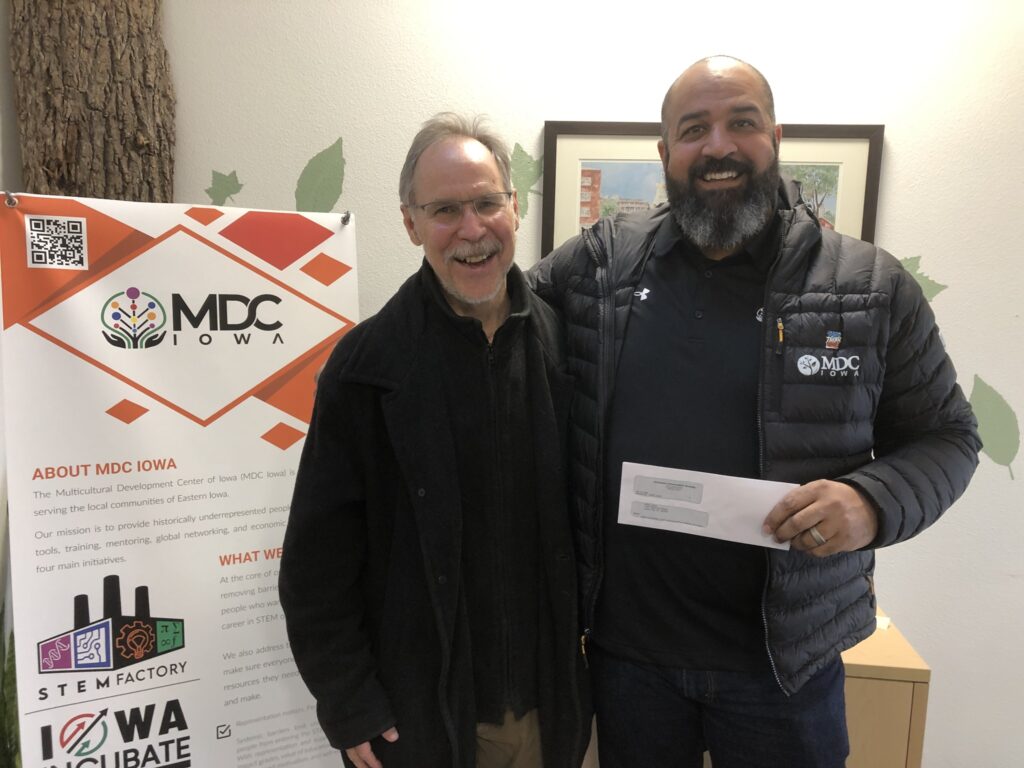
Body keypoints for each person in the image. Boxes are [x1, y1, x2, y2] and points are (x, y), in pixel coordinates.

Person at [530, 55, 980, 768]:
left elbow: (950, 437)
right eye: (693, 129)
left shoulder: (871, 286)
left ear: (775, 137)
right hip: (628, 663)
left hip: (785, 671)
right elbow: (489, 321)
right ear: (664, 153)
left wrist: (871, 503)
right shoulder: (597, 266)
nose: (719, 146)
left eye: (741, 122)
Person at [279, 113, 589, 768]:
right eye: (445, 210)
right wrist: (348, 701)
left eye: (486, 203)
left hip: (548, 709)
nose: (472, 230)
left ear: (514, 206)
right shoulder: (366, 368)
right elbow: (316, 566)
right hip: (421, 720)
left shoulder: (563, 346)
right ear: (410, 223)